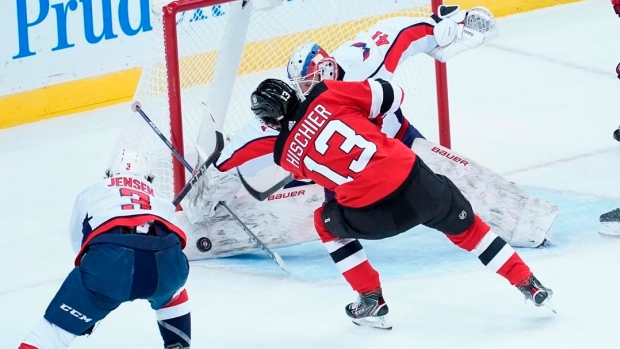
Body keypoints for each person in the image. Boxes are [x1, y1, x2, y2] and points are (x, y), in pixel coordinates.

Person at [185, 4, 558, 258]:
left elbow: (400, 33)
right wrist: (210, 180)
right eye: (301, 84)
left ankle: (526, 224)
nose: (305, 88)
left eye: (311, 78)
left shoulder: (361, 58)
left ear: (329, 66)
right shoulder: (297, 108)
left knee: (461, 186)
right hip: (357, 172)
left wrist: (446, 28)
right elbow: (242, 147)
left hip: (400, 149)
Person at [249, 77, 554, 330]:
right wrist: (369, 117)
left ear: (267, 119)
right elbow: (393, 93)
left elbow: (327, 173)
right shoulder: (328, 92)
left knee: (324, 222)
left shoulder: (284, 155)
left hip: (373, 218)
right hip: (417, 186)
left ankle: (370, 298)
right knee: (470, 230)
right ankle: (528, 282)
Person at [19, 150, 191, 349]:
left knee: (51, 334)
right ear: (148, 178)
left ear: (109, 174)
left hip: (111, 265)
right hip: (168, 264)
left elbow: (80, 243)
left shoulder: (92, 191)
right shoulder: (158, 196)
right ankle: (178, 344)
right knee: (173, 291)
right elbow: (177, 237)